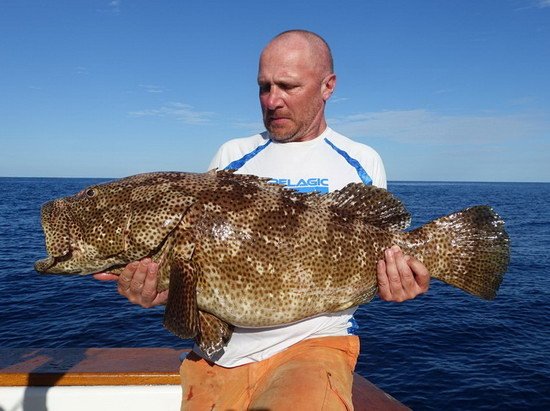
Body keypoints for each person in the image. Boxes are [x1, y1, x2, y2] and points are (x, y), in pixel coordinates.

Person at [95, 29, 430, 410]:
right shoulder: (232, 154)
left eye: (288, 86)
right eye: (263, 87)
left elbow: (378, 263)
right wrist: (158, 291)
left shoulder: (361, 161)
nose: (272, 100)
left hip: (315, 347)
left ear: (327, 86)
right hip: (217, 355)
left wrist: (399, 283)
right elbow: (200, 267)